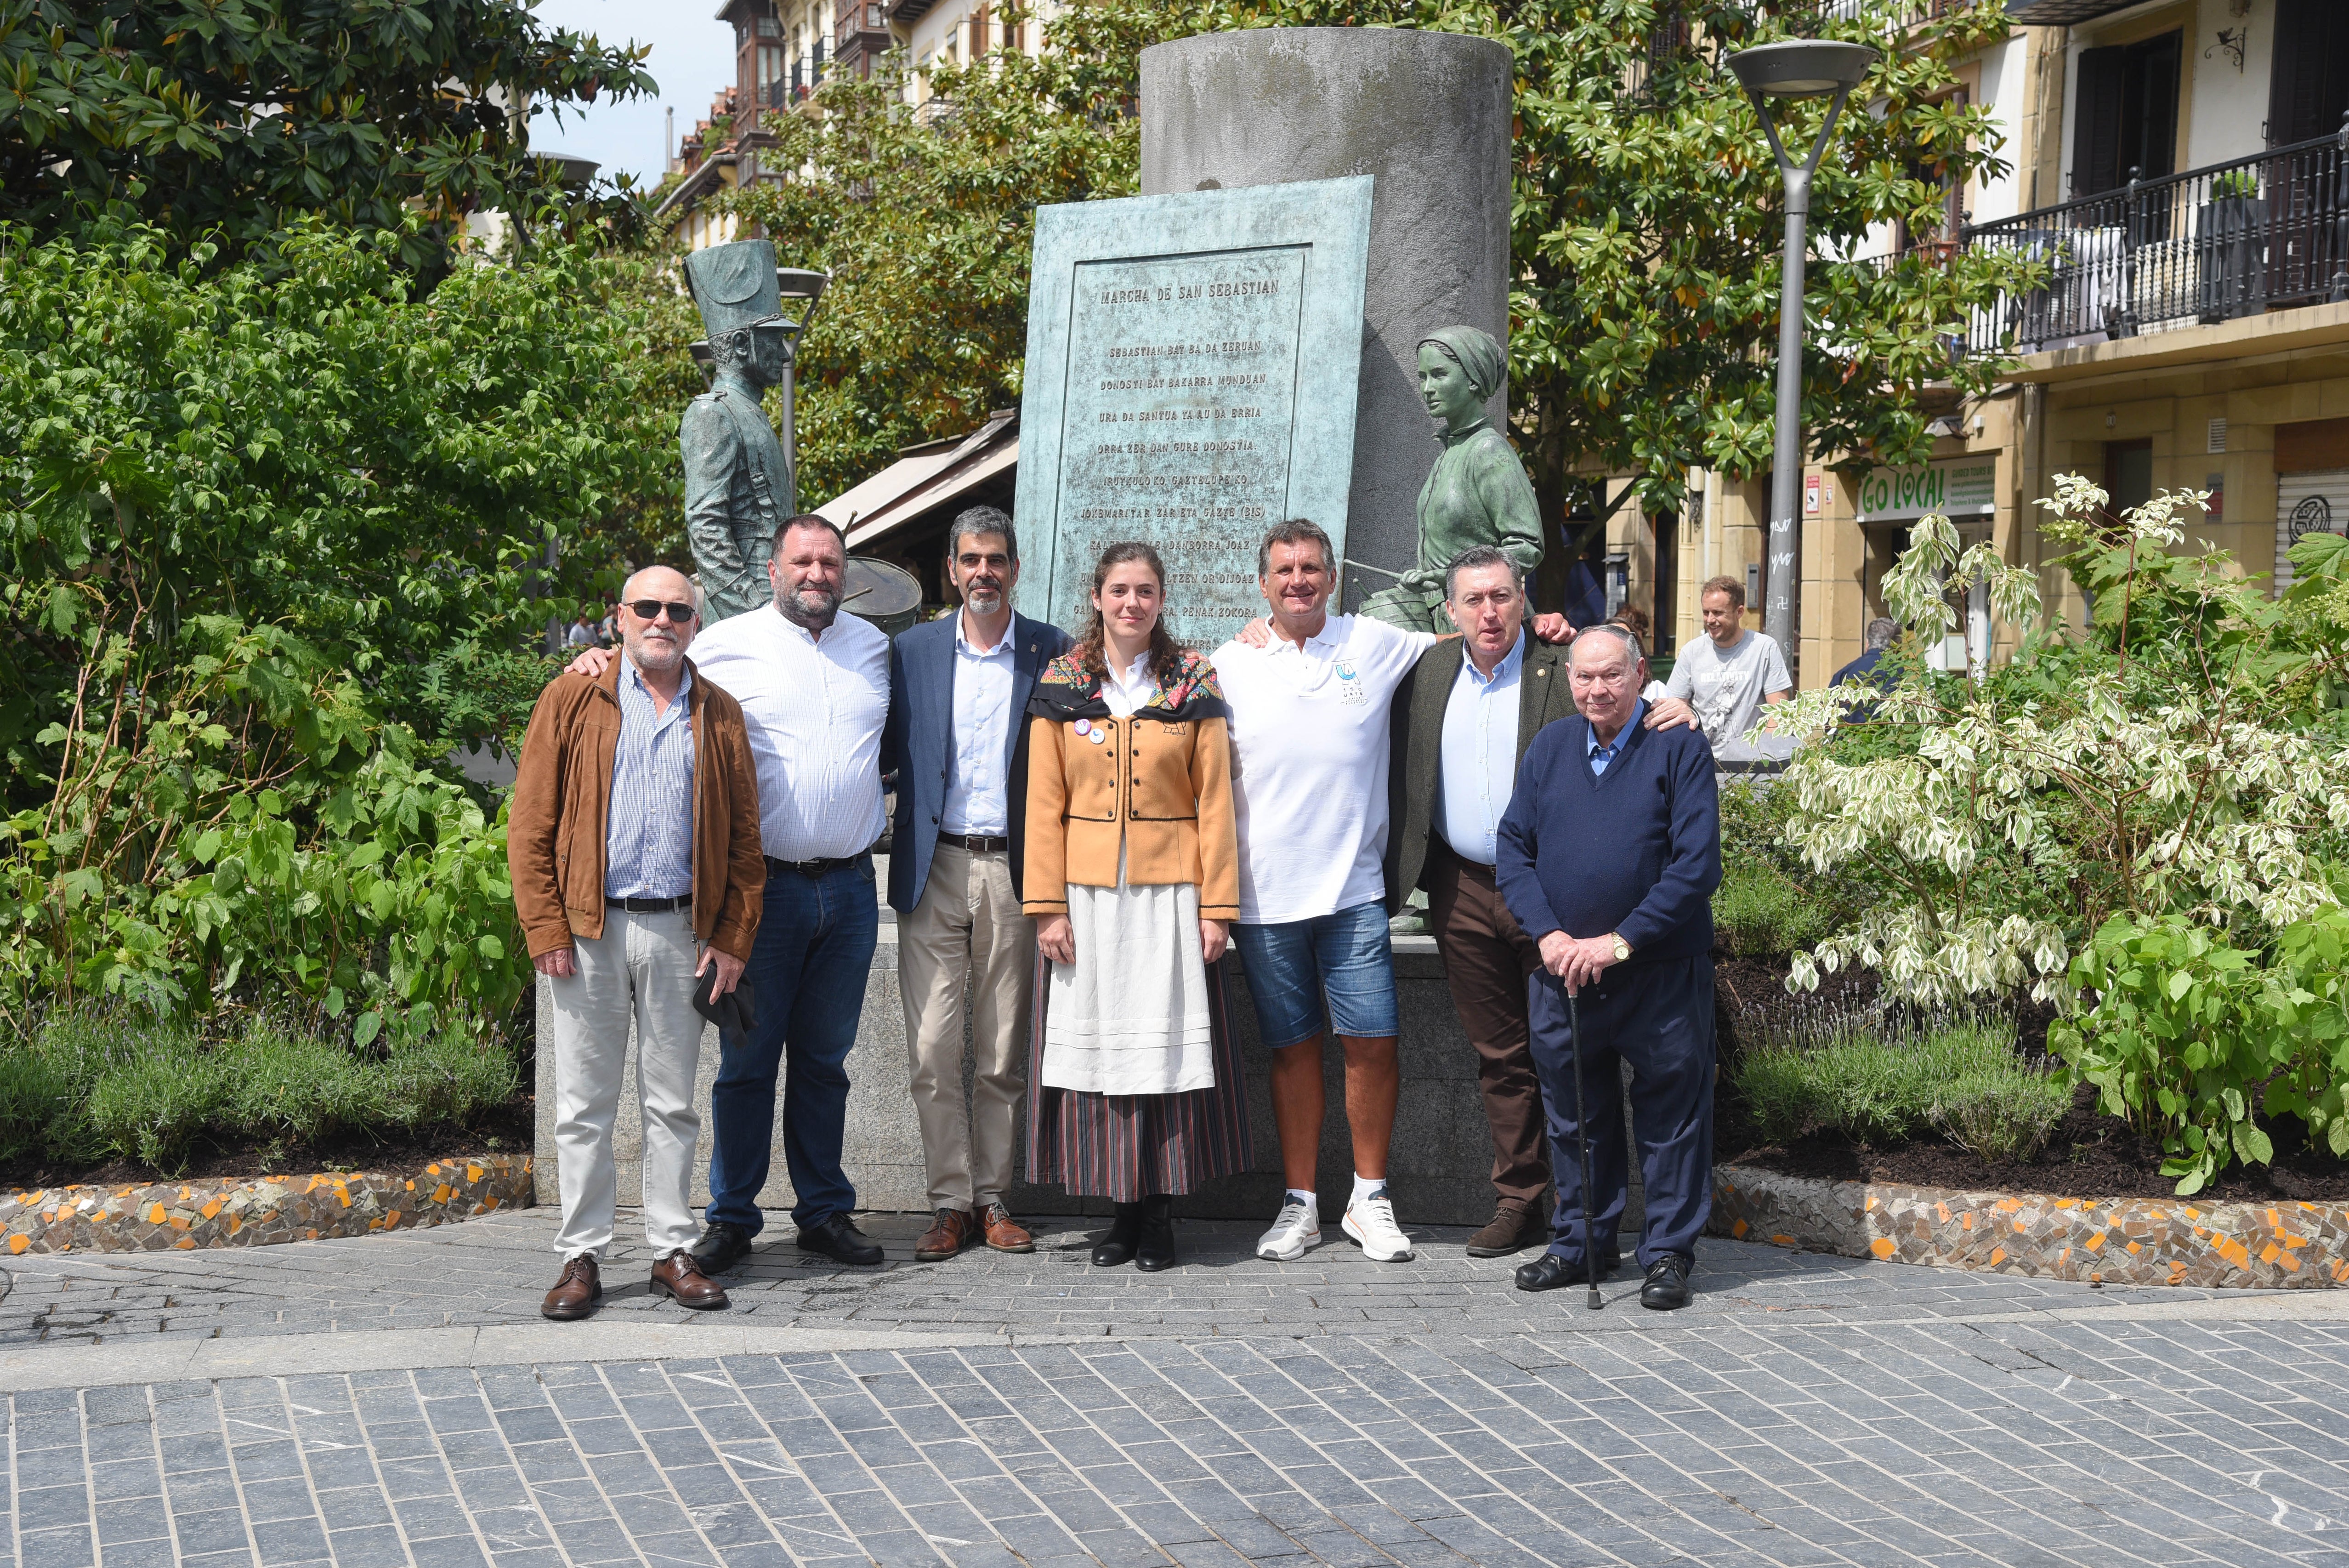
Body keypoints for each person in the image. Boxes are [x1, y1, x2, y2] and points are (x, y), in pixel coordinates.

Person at [563, 515, 892, 1272]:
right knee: (745, 1064)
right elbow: (651, 664)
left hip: (847, 891)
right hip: (762, 894)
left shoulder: (874, 649)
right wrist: (597, 659)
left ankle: (823, 1212)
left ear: (846, 574)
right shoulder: (723, 642)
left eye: (830, 563)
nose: (817, 575)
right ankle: (733, 1218)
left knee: (825, 1062)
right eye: (802, 562)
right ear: (773, 571)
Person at [1385, 548, 1698, 1259]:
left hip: (1557, 898)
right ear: (1450, 609)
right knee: (1501, 1056)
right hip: (1461, 887)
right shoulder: (1427, 670)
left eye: (1501, 596)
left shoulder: (1558, 661)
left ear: (1524, 598)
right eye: (1473, 600)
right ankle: (1520, 1201)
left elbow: (1614, 692)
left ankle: (1581, 1217)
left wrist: (1679, 706)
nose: (1488, 612)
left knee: (1574, 1055)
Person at [510, 565, 767, 1321]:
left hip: (683, 929)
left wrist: (732, 936)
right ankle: (581, 1254)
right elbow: (530, 824)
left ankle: (670, 1249)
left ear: (696, 623)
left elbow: (747, 842)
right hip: (589, 929)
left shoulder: (718, 713)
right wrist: (545, 925)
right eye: (647, 607)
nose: (662, 619)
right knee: (583, 1106)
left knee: (672, 1105)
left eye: (677, 610)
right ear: (619, 616)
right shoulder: (573, 695)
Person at [1212, 520, 1438, 1265]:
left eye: (1311, 568)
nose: (1299, 580)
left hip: (1353, 894)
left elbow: (1467, 643)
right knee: (1292, 1049)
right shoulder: (1231, 662)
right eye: (1284, 570)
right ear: (1262, 582)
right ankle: (1301, 1204)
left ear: (1333, 577)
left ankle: (1368, 1198)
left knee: (1372, 1042)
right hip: (1265, 899)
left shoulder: (1371, 643)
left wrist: (1551, 631)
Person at [1023, 542, 1248, 1272]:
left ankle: (1160, 1214)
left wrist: (1218, 908)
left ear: (1161, 599)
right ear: (1097, 597)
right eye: (1119, 590)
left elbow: (1216, 802)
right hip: (1087, 900)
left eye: (1145, 590)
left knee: (1164, 1052)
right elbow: (1043, 804)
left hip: (1171, 896)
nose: (1132, 603)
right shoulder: (1063, 680)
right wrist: (1046, 907)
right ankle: (1117, 1214)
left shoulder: (1193, 679)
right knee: (1102, 1051)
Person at [1497, 623, 1721, 1312]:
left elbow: (1697, 867)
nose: (1597, 689)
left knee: (1671, 1119)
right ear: (1568, 680)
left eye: (1612, 676)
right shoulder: (1551, 747)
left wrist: (1620, 941)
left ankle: (1667, 1255)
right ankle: (1580, 1241)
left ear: (1640, 675)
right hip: (1564, 972)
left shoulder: (1676, 744)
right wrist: (1551, 935)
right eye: (1584, 677)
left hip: (1656, 972)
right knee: (1574, 1116)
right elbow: (1513, 846)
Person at [885, 506, 1072, 1263]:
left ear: (1014, 569)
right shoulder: (913, 652)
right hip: (934, 864)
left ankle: (991, 1197)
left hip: (1014, 870)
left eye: (996, 559)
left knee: (1000, 1050)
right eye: (970, 561)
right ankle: (947, 1202)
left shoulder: (1052, 651)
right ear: (952, 572)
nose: (983, 573)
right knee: (932, 1048)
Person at [1665, 574, 1792, 752]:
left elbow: (1779, 713)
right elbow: (1675, 709)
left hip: (1750, 764)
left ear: (1739, 612)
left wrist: (1767, 761)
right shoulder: (1692, 652)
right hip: (1703, 761)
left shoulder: (1764, 648)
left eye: (1718, 613)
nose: (1710, 620)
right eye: (1706, 612)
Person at [1832, 618, 1900, 689]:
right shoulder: (1897, 671)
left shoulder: (1844, 673)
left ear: (1867, 643)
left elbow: (1828, 699)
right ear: (1897, 645)